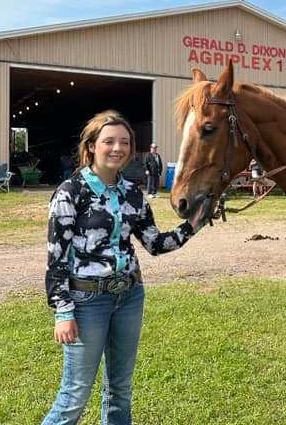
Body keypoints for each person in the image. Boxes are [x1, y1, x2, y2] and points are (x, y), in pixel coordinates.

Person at [42, 110, 205, 424]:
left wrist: (193, 225)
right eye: (109, 141)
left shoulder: (132, 192)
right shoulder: (70, 193)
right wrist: (63, 312)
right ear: (91, 146)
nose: (118, 148)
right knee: (75, 393)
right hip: (87, 302)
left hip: (130, 296)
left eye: (125, 142)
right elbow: (56, 259)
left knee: (120, 389)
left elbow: (155, 243)